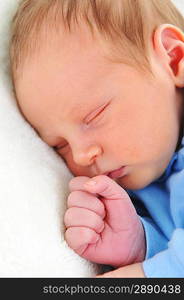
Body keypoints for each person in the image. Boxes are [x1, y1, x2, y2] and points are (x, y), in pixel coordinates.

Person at [9, 0, 184, 277]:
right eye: (60, 146)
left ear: (173, 59)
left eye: (93, 116)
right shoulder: (144, 187)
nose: (80, 156)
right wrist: (139, 244)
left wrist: (144, 276)